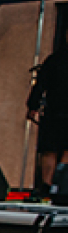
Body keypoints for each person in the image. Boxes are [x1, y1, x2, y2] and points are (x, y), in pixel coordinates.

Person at [27, 45, 68, 196]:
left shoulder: (54, 59)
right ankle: (60, 186)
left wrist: (33, 105)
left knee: (50, 150)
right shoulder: (54, 60)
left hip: (54, 111)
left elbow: (41, 83)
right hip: (55, 111)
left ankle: (47, 185)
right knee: (61, 150)